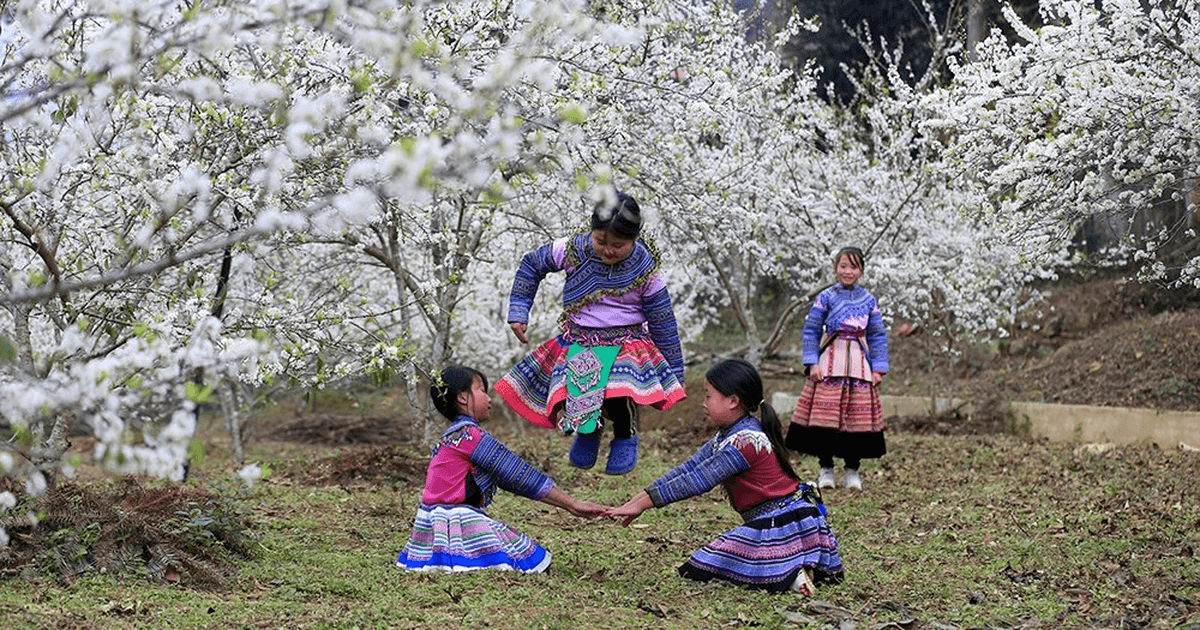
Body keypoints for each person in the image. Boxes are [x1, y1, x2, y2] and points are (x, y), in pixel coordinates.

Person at [607, 359, 844, 595]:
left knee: (702, 566)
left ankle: (792, 573)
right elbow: (688, 469)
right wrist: (636, 503)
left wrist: (642, 504)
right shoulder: (730, 435)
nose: (703, 403)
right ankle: (794, 566)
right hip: (781, 520)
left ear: (733, 401)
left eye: (709, 396)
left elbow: (697, 481)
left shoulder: (744, 443)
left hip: (783, 524)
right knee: (710, 563)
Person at [495, 189, 686, 475]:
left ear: (634, 239)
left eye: (618, 245)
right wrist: (519, 310)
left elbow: (663, 320)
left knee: (616, 390)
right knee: (583, 389)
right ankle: (588, 430)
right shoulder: (572, 249)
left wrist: (674, 373)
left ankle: (625, 434)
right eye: (601, 241)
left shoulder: (646, 271)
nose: (609, 250)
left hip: (627, 343)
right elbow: (532, 265)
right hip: (581, 338)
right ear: (591, 231)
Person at [397, 365, 606, 573]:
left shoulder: (447, 439)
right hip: (458, 520)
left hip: (427, 527)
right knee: (534, 560)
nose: (488, 399)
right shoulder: (470, 436)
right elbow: (518, 474)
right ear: (462, 397)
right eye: (481, 391)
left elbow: (507, 478)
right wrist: (572, 504)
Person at [785, 246, 888, 491]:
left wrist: (878, 369)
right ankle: (825, 468)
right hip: (829, 361)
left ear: (861, 270)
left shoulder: (869, 300)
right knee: (825, 419)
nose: (847, 272)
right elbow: (811, 330)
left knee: (857, 420)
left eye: (853, 267)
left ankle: (852, 470)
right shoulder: (826, 297)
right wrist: (811, 363)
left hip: (859, 365)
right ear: (835, 268)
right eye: (843, 266)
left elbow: (877, 336)